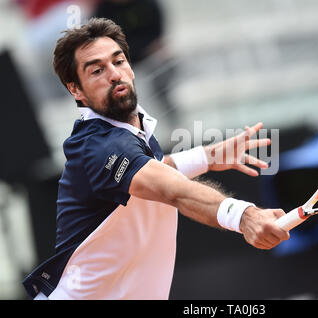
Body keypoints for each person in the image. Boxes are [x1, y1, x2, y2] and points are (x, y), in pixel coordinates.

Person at [22, 18, 289, 300]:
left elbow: (150, 173)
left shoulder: (132, 130)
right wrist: (244, 216)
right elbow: (172, 190)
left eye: (119, 61)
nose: (114, 74)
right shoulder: (99, 147)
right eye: (97, 70)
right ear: (76, 90)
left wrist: (206, 156)